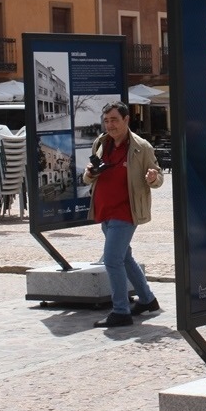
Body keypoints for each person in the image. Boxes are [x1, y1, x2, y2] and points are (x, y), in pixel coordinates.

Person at [83, 102, 162, 329]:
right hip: (104, 210)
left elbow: (157, 178)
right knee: (124, 257)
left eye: (114, 120)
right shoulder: (101, 142)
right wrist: (89, 174)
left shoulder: (141, 147)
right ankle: (147, 300)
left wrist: (152, 177)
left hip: (126, 211)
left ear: (127, 120)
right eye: (106, 120)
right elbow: (89, 177)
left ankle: (120, 311)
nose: (110, 125)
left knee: (112, 259)